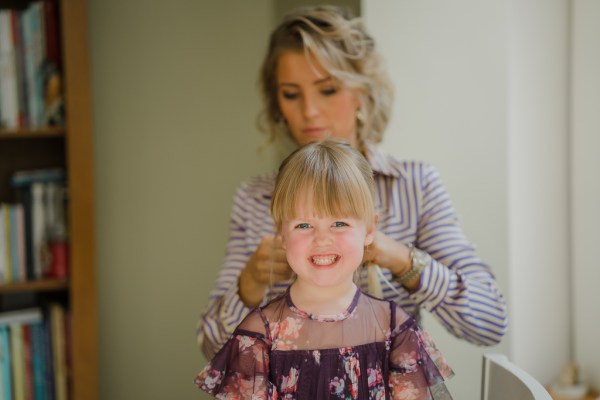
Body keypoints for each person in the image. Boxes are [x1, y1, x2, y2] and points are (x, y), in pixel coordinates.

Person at [197, 5, 508, 360]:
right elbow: (213, 352)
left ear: (361, 90)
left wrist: (402, 261)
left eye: (327, 90)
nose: (309, 111)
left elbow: (491, 324)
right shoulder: (255, 200)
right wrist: (249, 285)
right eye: (291, 94)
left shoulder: (414, 186)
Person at [195, 139, 454, 399]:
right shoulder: (258, 334)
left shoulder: (396, 328)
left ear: (370, 230)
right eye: (304, 225)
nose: (322, 239)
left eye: (339, 222)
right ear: (281, 234)